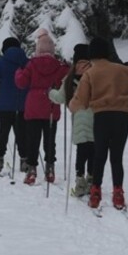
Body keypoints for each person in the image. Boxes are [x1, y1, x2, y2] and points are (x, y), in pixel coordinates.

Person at [69, 37, 128, 210]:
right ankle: (118, 193)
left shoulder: (91, 73)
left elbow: (81, 100)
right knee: (117, 156)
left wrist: (72, 106)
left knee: (100, 155)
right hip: (122, 116)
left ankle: (95, 191)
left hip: (102, 116)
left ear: (92, 55)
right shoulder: (120, 69)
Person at [14, 28, 69, 185]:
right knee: (50, 140)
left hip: (33, 107)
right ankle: (50, 168)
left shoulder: (31, 64)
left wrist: (19, 71)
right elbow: (65, 78)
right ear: (52, 50)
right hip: (51, 105)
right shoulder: (58, 65)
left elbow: (21, 82)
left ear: (38, 49)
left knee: (33, 139)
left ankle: (32, 170)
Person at [49, 43, 93, 196]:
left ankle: (80, 180)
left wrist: (50, 92)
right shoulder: (95, 73)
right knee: (94, 151)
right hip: (96, 117)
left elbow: (60, 98)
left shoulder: (70, 77)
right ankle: (91, 180)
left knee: (82, 151)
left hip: (79, 118)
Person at [0, 37, 28, 173]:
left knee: (3, 132)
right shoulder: (27, 62)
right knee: (22, 133)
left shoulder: (1, 62)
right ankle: (25, 160)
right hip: (22, 103)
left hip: (6, 103)